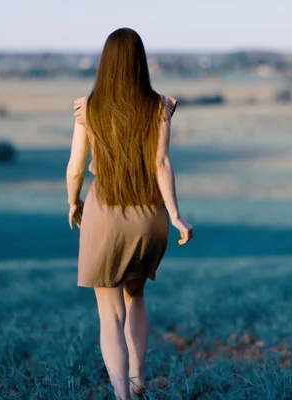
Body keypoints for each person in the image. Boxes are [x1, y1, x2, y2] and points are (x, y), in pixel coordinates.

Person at [66, 27, 193, 399]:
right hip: (149, 218)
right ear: (140, 62)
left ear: (106, 62)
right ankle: (139, 382)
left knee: (110, 314)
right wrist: (175, 215)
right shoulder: (160, 105)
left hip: (104, 216)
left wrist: (74, 202)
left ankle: (122, 395)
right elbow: (162, 163)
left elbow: (76, 168)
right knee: (135, 297)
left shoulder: (87, 107)